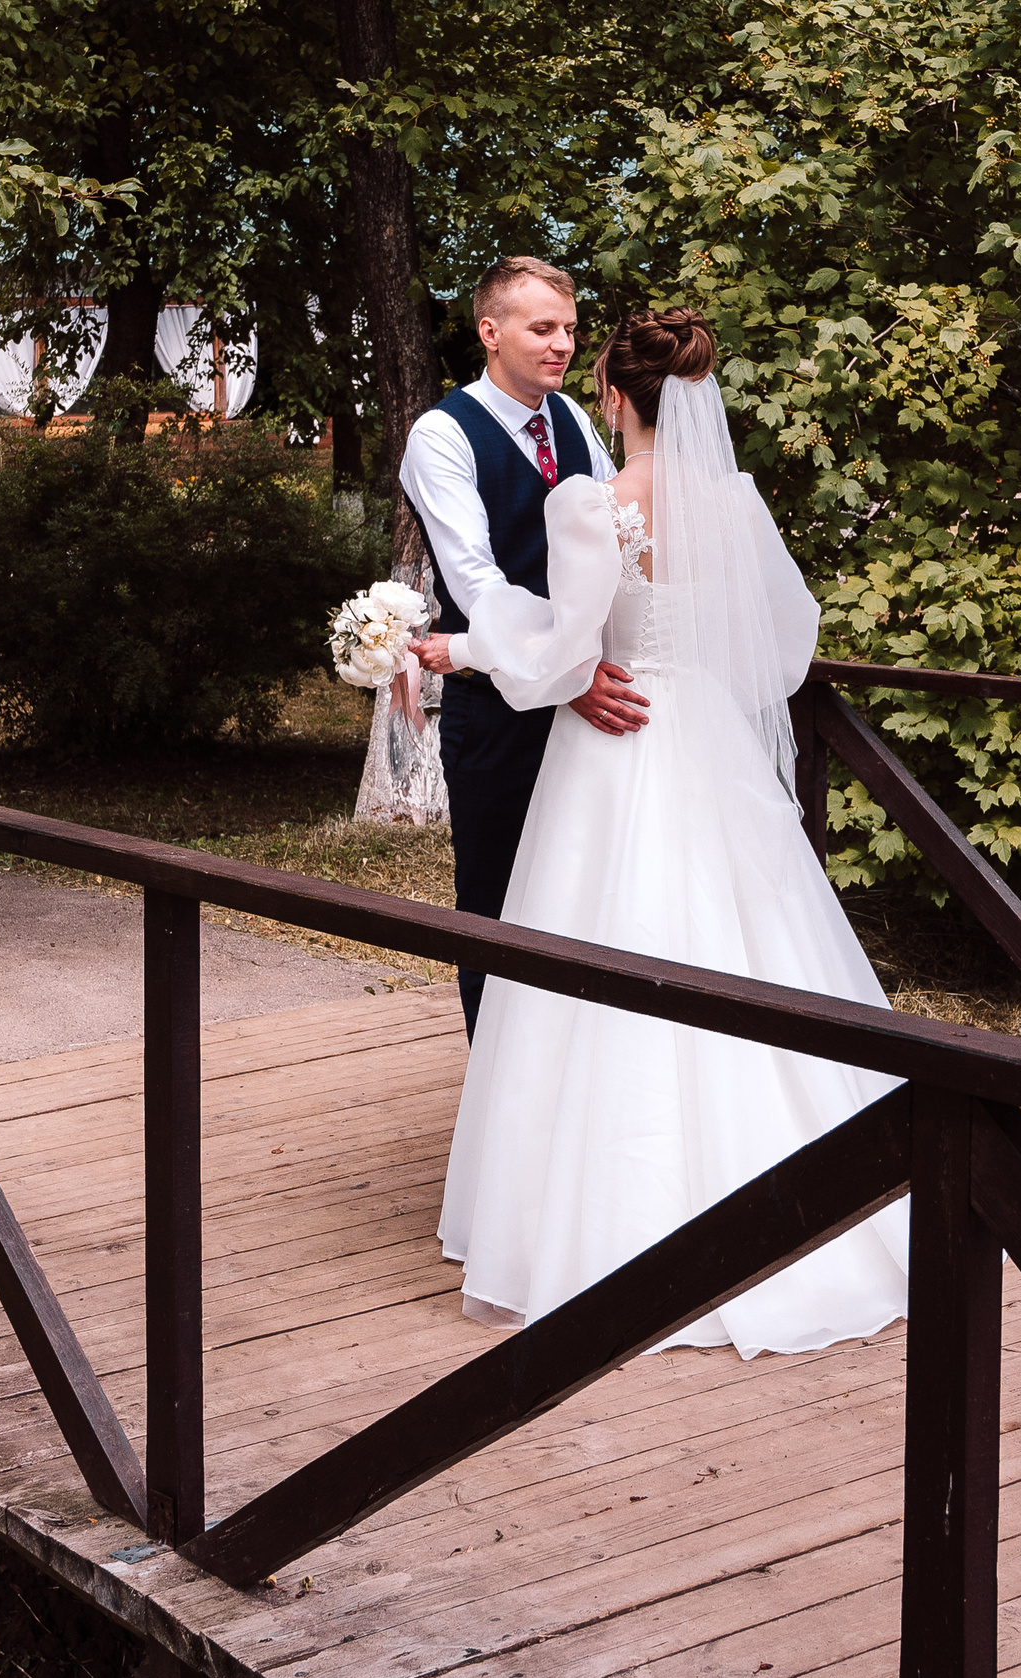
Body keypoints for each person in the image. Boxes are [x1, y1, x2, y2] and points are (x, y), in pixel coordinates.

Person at [407, 307, 909, 1357]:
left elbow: (559, 652)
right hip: (710, 745)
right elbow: (785, 638)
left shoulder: (590, 501)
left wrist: (457, 650)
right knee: (744, 938)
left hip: (618, 750)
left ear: (614, 395)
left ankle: (599, 1224)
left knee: (604, 948)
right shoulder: (736, 499)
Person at [400, 256, 646, 1038]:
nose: (562, 345)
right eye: (543, 328)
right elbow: (478, 586)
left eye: (570, 329)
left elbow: (615, 545)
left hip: (590, 701)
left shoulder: (571, 420)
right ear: (490, 330)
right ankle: (493, 1107)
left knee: (584, 895)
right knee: (499, 907)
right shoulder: (442, 435)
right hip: (499, 713)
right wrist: (565, 673)